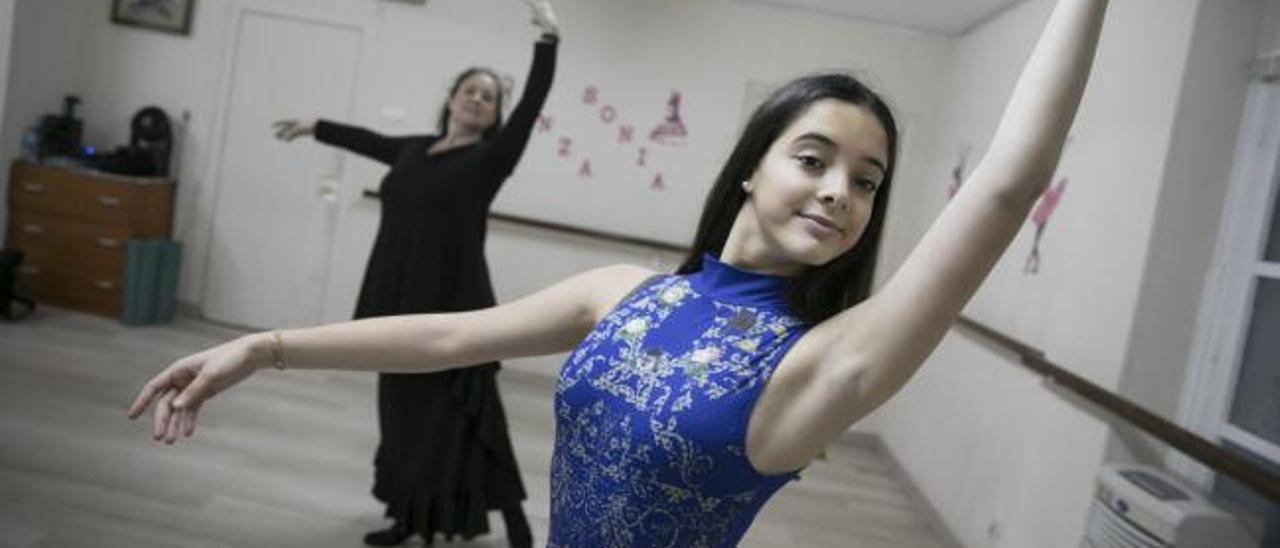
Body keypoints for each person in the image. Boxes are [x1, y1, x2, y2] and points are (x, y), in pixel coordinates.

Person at [129, 0, 1108, 545]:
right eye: (813, 158)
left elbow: (999, 190)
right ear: (750, 166)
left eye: (866, 180)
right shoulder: (626, 291)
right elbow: (446, 334)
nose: (838, 192)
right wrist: (261, 347)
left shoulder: (822, 361)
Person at [267, 1, 559, 545]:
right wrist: (314, 126)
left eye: (489, 97)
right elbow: (366, 140)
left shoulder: (491, 159)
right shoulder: (415, 149)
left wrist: (548, 41)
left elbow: (534, 103)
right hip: (394, 297)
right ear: (450, 99)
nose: (478, 98)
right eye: (470, 89)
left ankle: (516, 524)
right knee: (400, 413)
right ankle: (409, 517)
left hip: (454, 304)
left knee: (470, 416)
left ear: (495, 115)